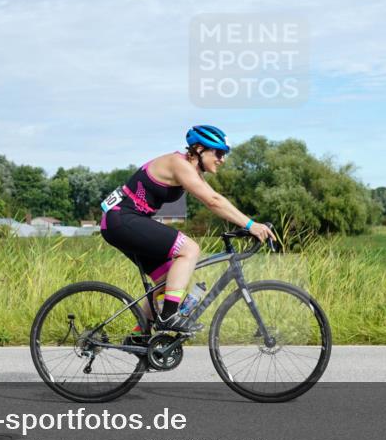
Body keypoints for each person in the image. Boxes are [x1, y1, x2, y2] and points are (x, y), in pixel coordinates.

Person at [99, 125, 272, 335]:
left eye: (224, 154)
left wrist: (246, 225)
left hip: (124, 221)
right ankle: (170, 315)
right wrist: (251, 225)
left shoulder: (191, 171)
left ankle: (139, 335)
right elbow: (213, 201)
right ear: (199, 149)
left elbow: (216, 199)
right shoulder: (178, 164)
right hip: (122, 219)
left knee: (166, 280)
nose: (222, 159)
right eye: (218, 153)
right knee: (189, 249)